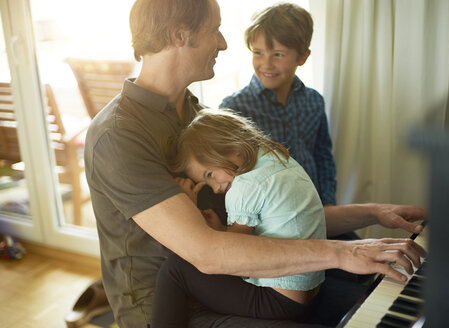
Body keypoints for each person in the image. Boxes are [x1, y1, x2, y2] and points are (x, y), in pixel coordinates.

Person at [84, 0, 426, 327]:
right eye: (214, 29)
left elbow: (283, 216)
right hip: (172, 306)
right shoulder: (118, 136)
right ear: (179, 35)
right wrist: (342, 253)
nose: (223, 43)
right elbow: (205, 252)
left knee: (367, 299)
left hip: (239, 281)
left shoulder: (201, 120)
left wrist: (373, 212)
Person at [152, 108, 328, 327]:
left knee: (175, 269)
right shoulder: (278, 158)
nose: (215, 188)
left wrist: (189, 209)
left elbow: (232, 258)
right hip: (308, 291)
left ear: (233, 148)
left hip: (279, 302)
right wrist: (219, 230)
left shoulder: (245, 186)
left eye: (209, 175)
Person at [220, 3, 336, 207]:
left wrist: (327, 204)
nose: (266, 64)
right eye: (258, 53)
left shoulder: (314, 100)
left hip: (316, 209)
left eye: (278, 54)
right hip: (272, 215)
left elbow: (323, 157)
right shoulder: (234, 108)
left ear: (302, 57)